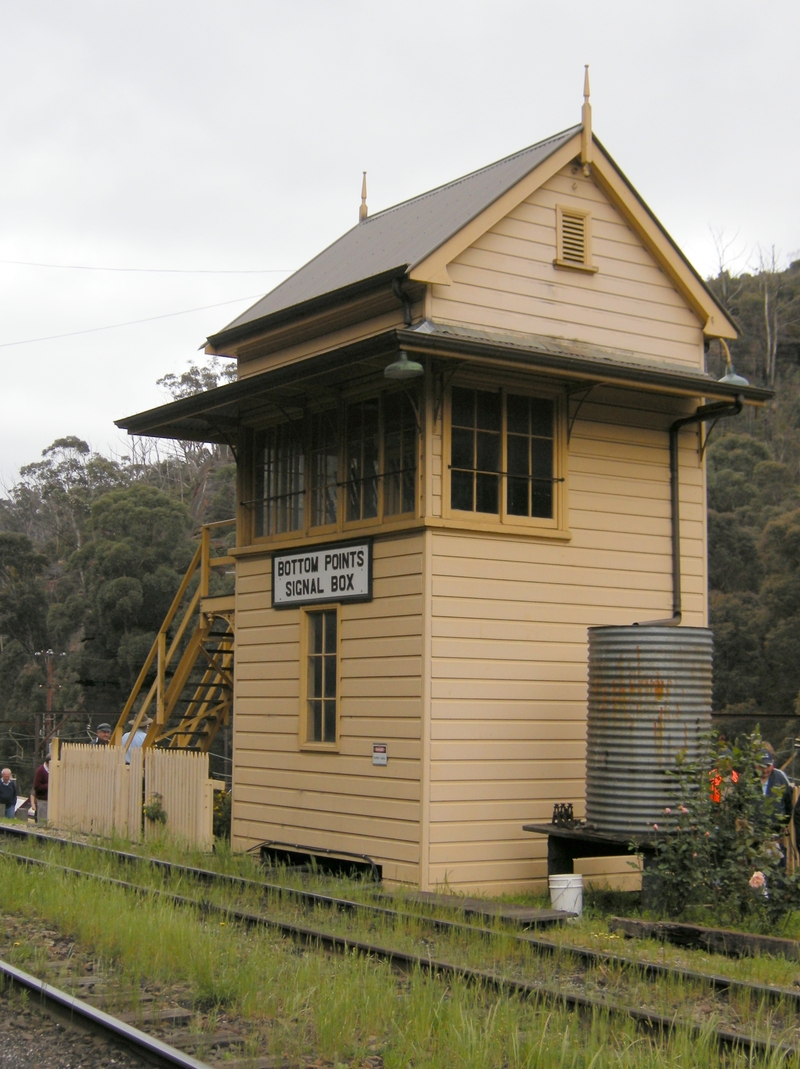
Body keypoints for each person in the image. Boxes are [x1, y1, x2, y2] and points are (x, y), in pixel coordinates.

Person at [32, 757, 49, 823]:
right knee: (42, 821)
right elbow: (36, 786)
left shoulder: (52, 770)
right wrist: (48, 786)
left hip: (50, 800)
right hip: (43, 800)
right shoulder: (40, 771)